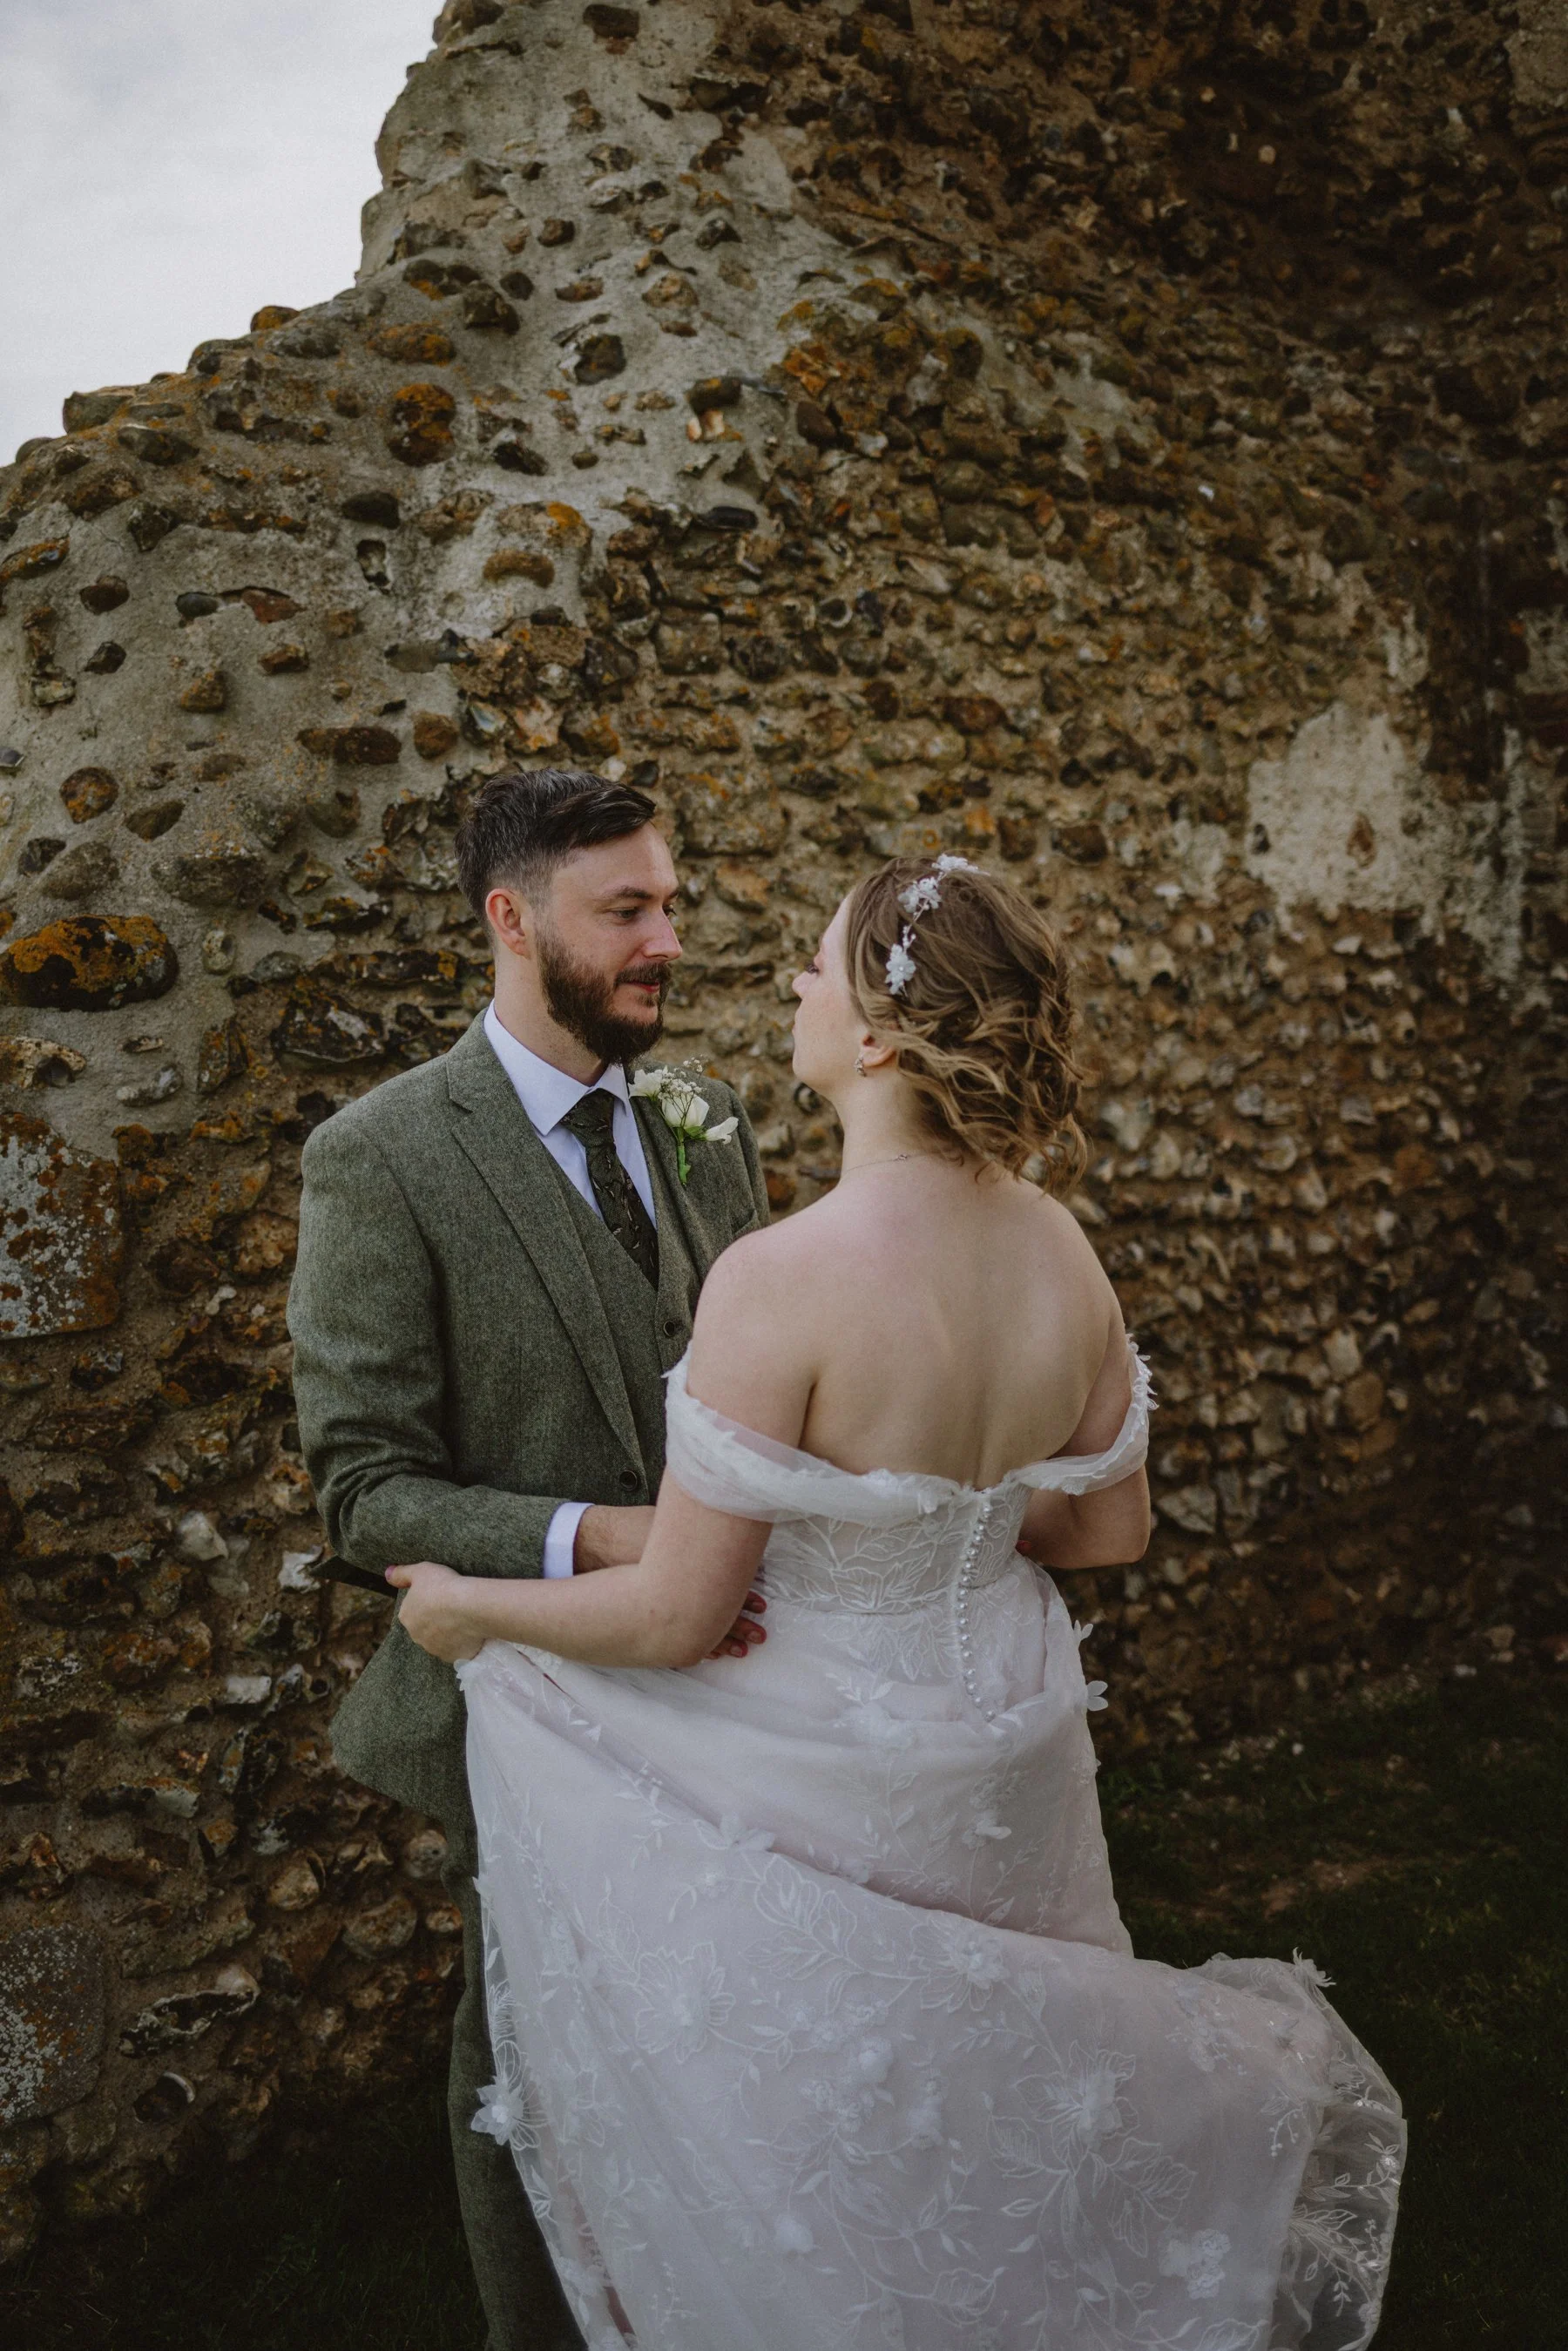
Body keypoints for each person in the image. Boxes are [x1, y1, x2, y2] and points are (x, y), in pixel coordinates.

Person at [390, 853, 1405, 2351]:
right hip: (1005, 1737)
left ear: (872, 1035)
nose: (793, 987)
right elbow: (1103, 1527)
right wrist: (957, 1510)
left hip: (824, 1755)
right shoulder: (1064, 1248)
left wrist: (474, 1612)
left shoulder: (779, 1277)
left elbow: (678, 1615)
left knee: (846, 2133)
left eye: (815, 967)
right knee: (1002, 2112)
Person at [287, 767, 772, 2351]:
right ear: (511, 919)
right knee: (534, 2055)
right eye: (626, 909)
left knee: (725, 2036)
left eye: (672, 903)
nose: (668, 940)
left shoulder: (712, 1127)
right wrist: (607, 1534)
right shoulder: (384, 1157)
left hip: (736, 1679)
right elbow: (364, 1490)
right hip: (529, 1699)